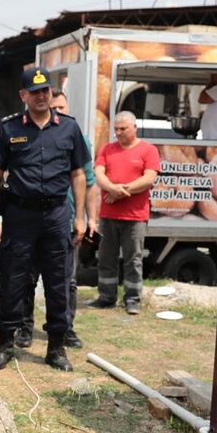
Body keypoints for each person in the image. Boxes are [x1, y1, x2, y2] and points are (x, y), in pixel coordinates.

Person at [0, 67, 89, 372]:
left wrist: (79, 217)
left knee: (58, 281)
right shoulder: (9, 129)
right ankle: (5, 343)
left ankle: (56, 348)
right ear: (23, 95)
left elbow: (79, 174)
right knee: (13, 280)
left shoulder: (68, 128)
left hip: (57, 214)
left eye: (46, 91)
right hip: (20, 215)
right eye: (35, 91)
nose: (42, 96)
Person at [16, 88, 96, 350]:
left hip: (66, 222)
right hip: (33, 221)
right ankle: (24, 328)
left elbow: (90, 182)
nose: (57, 112)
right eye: (55, 107)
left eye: (62, 108)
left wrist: (88, 218)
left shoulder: (76, 136)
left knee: (66, 282)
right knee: (28, 278)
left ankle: (66, 329)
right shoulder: (28, 132)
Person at [88, 111, 159, 315]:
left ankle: (132, 299)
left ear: (134, 127)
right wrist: (112, 188)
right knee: (106, 257)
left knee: (133, 259)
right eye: (116, 129)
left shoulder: (148, 150)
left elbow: (149, 179)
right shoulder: (107, 149)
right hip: (108, 215)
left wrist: (119, 192)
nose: (118, 133)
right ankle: (106, 297)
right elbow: (98, 173)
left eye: (123, 129)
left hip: (135, 216)